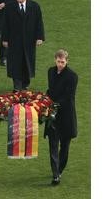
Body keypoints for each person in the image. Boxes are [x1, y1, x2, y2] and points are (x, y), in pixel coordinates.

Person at [43, 49, 78, 186]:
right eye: (58, 62)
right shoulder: (50, 71)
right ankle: (55, 174)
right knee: (53, 145)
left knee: (64, 147)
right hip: (53, 116)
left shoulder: (72, 76)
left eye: (62, 62)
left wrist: (54, 104)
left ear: (67, 61)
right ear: (55, 60)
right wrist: (44, 99)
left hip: (66, 116)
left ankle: (60, 169)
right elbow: (51, 90)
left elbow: (69, 97)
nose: (60, 65)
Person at [2, 0, 44, 90]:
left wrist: (39, 37)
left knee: (27, 61)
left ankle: (25, 84)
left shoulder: (34, 6)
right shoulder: (9, 7)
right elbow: (5, 24)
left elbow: (39, 23)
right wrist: (5, 39)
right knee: (15, 62)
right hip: (14, 40)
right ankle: (17, 85)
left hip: (29, 40)